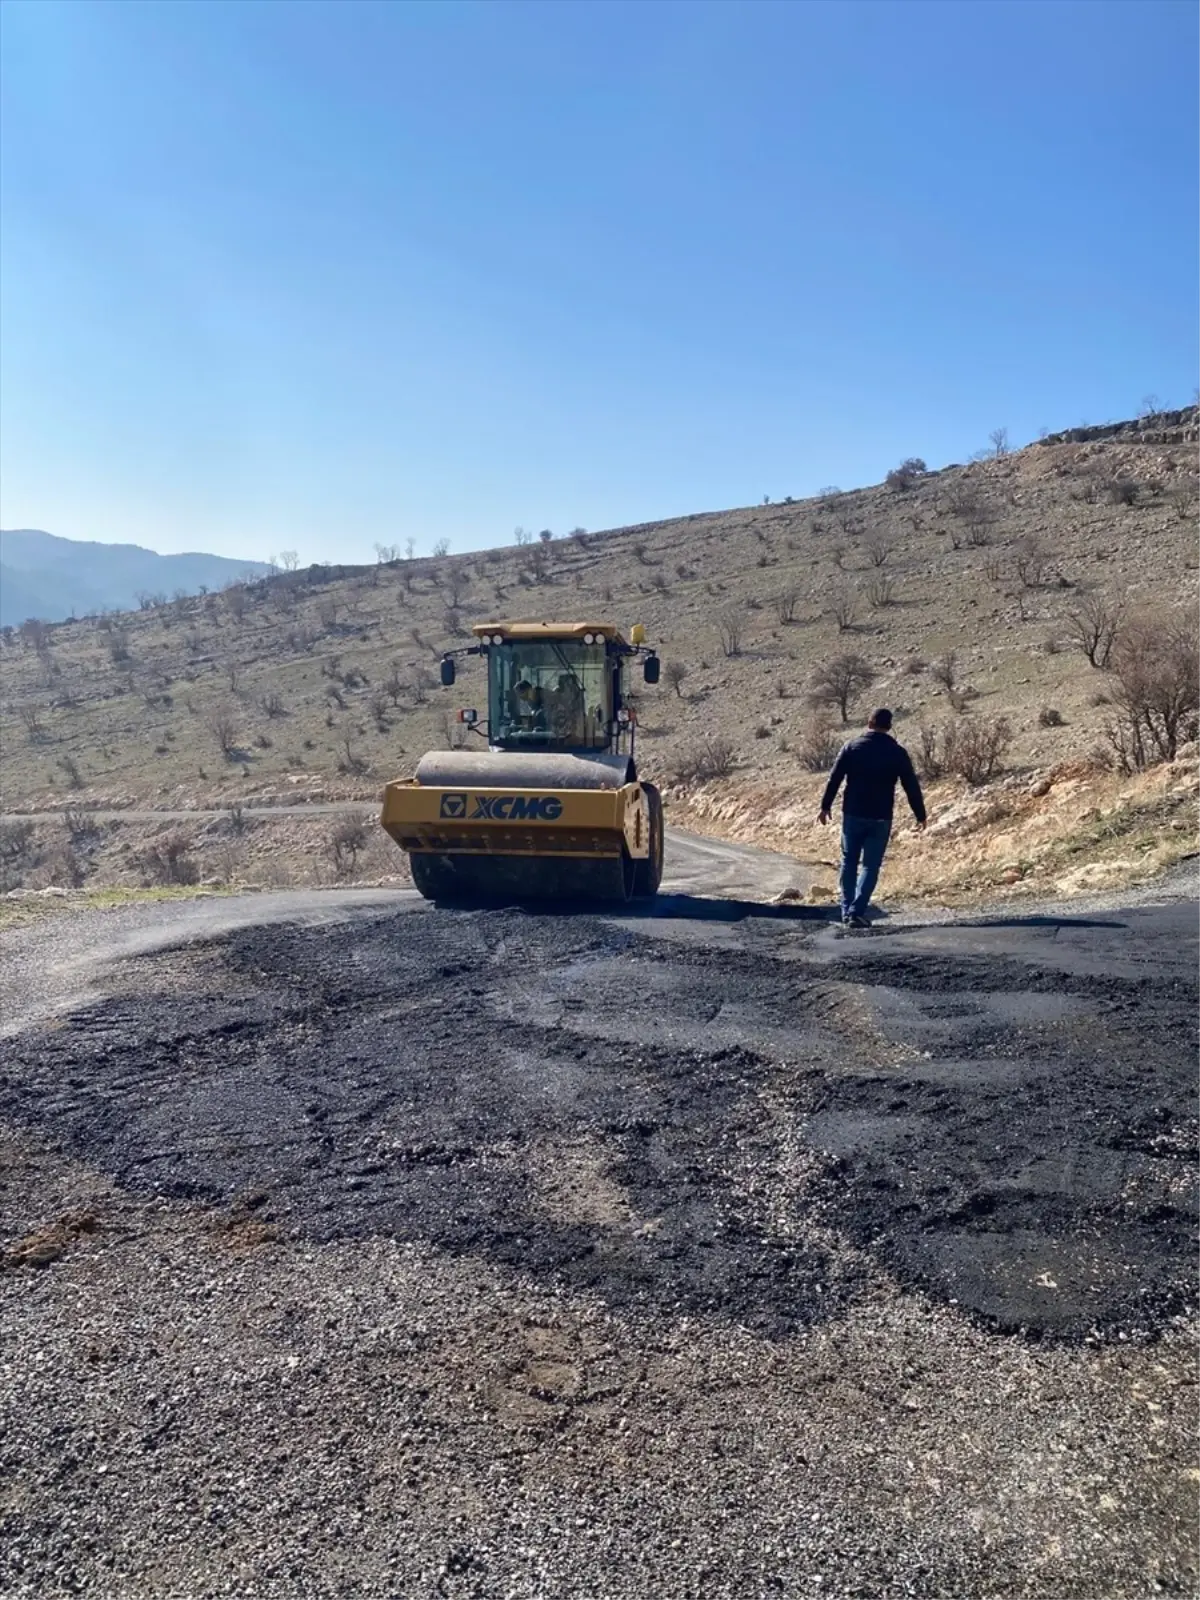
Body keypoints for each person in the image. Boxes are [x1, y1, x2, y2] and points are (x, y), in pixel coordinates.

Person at [818, 708, 926, 928]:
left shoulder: (852, 747)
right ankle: (857, 911)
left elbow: (834, 779)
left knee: (848, 861)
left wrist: (825, 806)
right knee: (870, 866)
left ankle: (846, 909)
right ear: (889, 727)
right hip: (881, 816)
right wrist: (920, 814)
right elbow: (911, 786)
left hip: (853, 814)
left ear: (869, 723)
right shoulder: (897, 752)